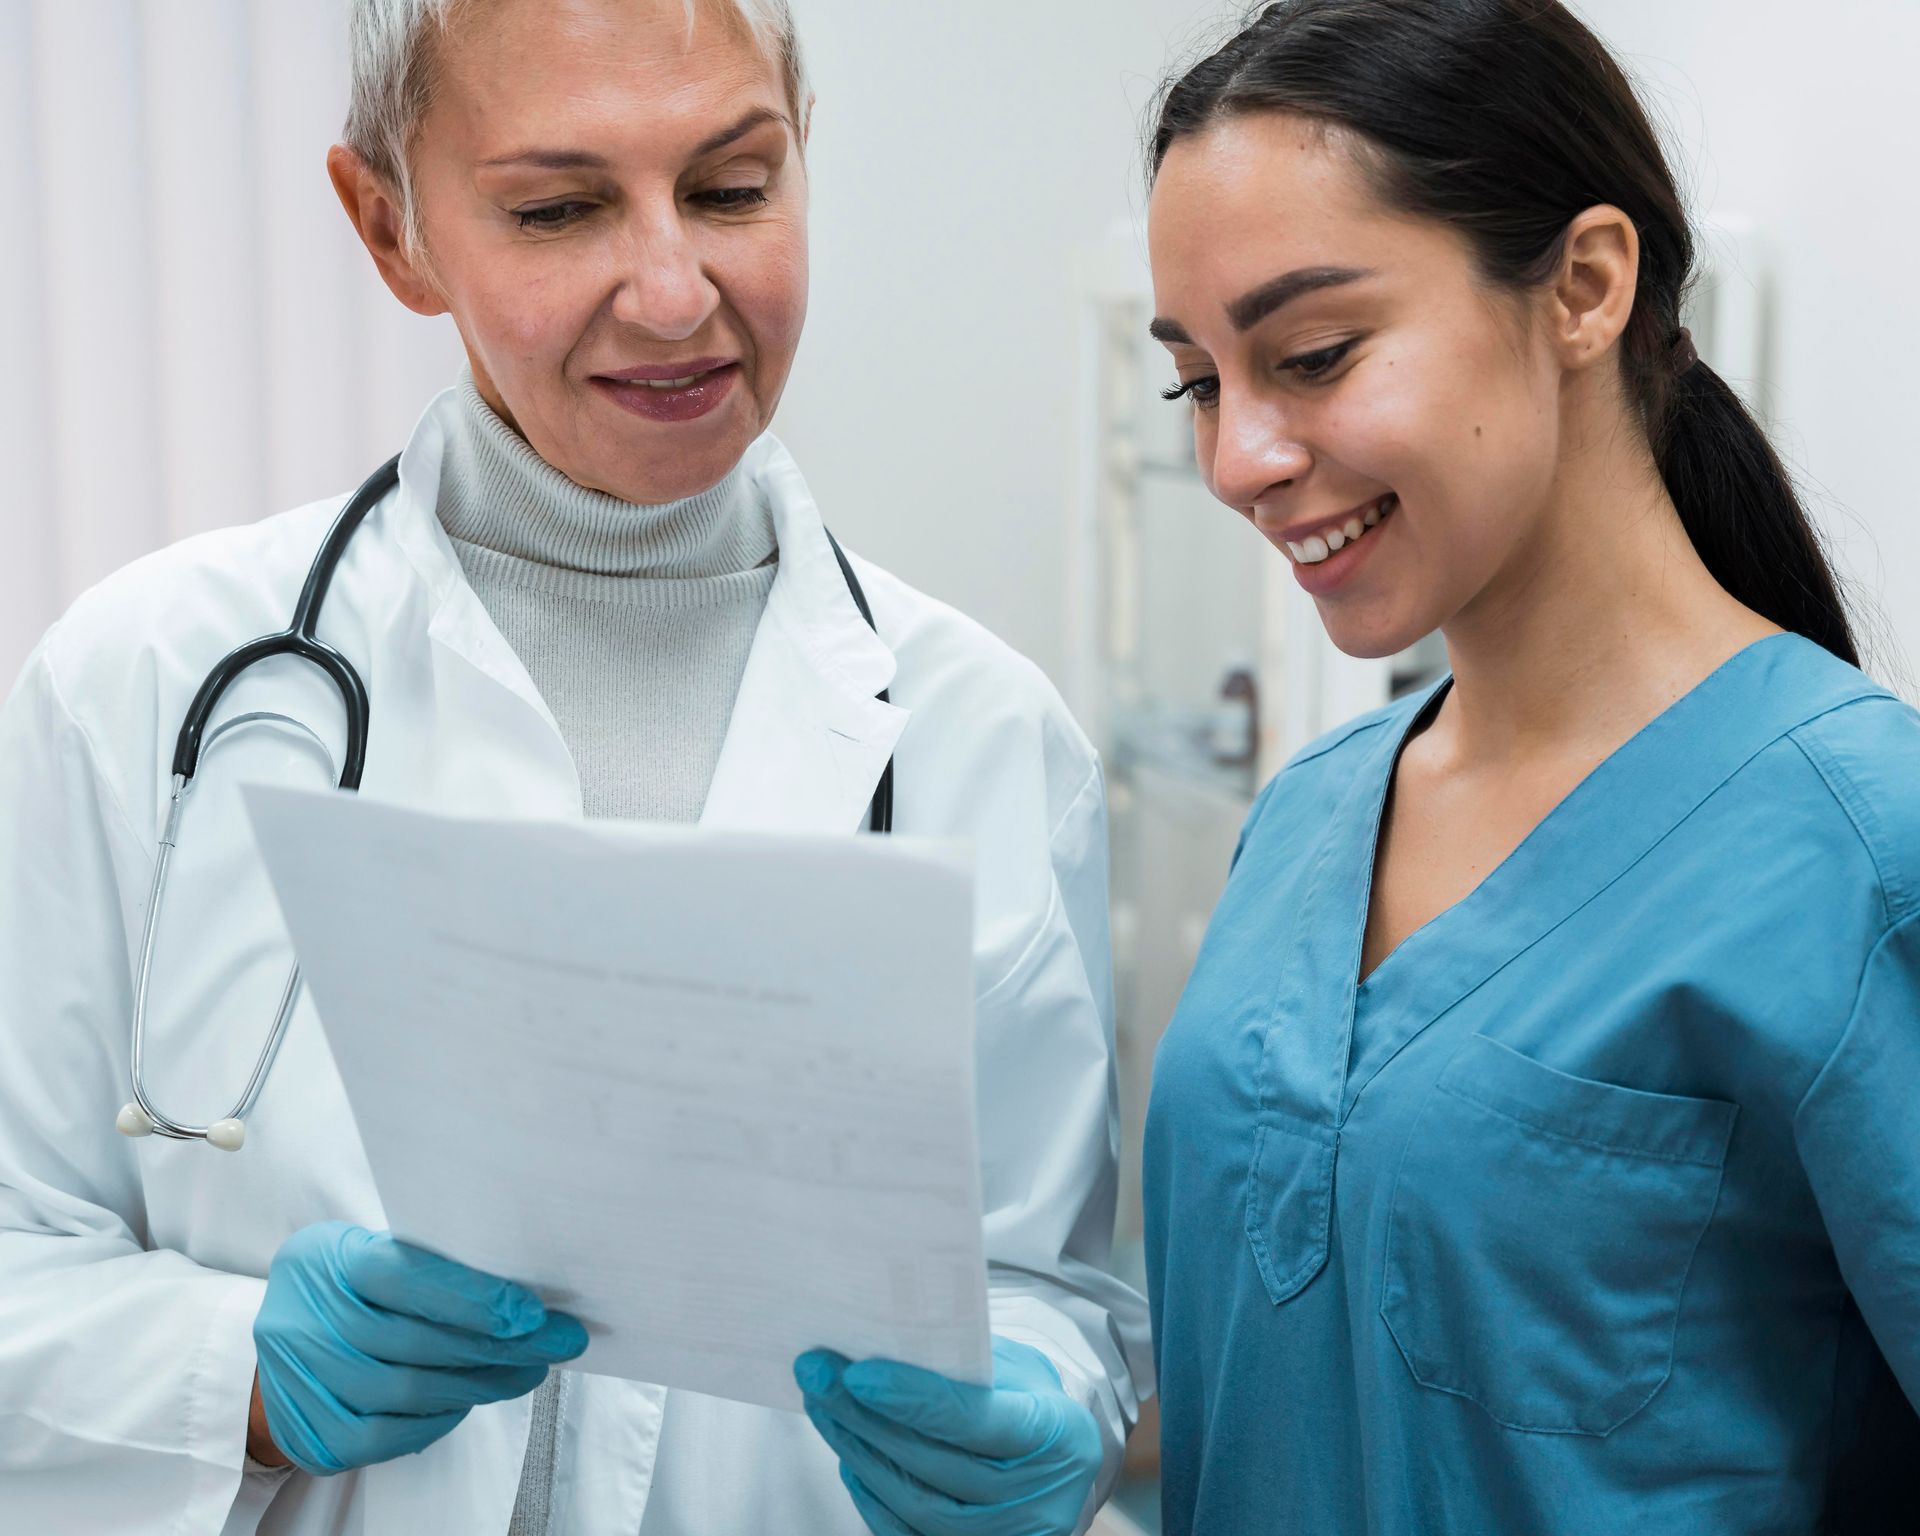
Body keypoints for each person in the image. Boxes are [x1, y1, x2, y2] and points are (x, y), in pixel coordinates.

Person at [0, 2, 1146, 1531]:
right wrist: (240, 1380)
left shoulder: (983, 733)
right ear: (390, 228)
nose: (676, 294)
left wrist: (1048, 1404)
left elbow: (1054, 1290)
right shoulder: (142, 683)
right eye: (557, 209)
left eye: (734, 190)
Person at [1138, 1, 1920, 1531]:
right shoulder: (1303, 820)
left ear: (1584, 285)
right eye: (1199, 382)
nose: (1239, 457)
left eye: (1312, 353)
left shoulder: (1858, 847)